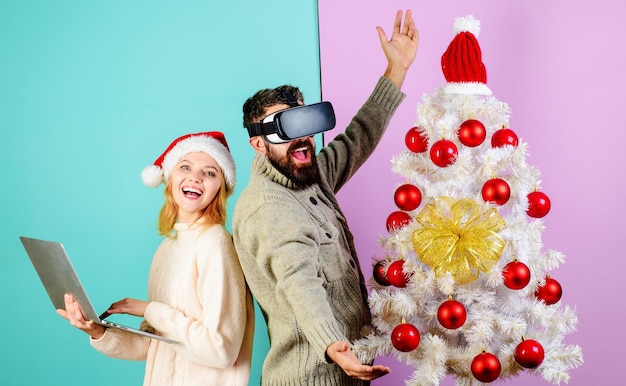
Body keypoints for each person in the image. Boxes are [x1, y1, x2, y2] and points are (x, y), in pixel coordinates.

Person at [232, 9, 419, 385]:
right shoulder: (269, 208)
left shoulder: (307, 175)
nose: (302, 139)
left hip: (347, 371)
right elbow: (299, 282)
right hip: (313, 377)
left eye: (305, 123)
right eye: (286, 129)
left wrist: (396, 68)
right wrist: (333, 344)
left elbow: (356, 139)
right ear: (258, 143)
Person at [57, 131, 255, 386]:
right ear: (170, 178)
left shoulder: (215, 243)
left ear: (220, 188)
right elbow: (152, 345)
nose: (195, 177)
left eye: (210, 172)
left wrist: (149, 310)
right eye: (185, 167)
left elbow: (221, 350)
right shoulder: (166, 249)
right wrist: (96, 331)